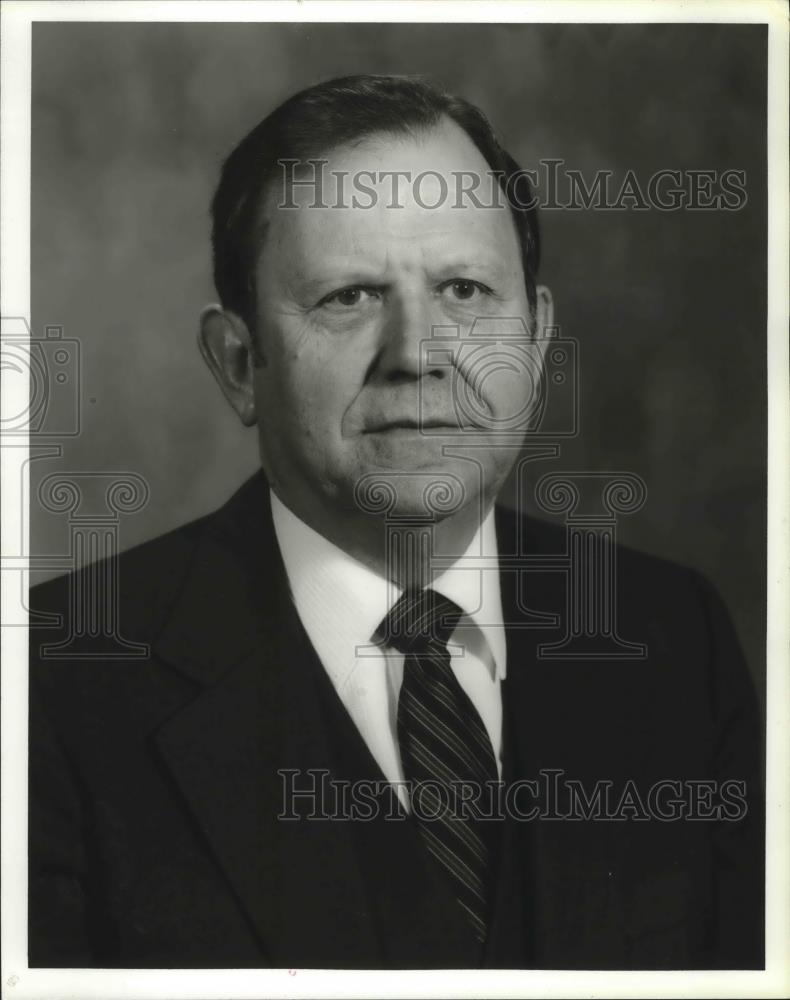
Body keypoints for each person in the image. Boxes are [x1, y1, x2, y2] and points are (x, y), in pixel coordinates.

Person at [28, 75, 763, 970]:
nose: (418, 352)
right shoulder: (50, 687)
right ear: (237, 364)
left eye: (463, 289)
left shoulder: (673, 637)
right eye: (349, 297)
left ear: (533, 343)